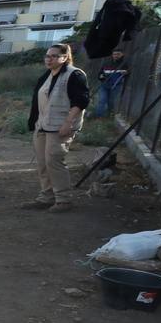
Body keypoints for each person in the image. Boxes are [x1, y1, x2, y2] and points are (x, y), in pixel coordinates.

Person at [26, 43, 89, 212]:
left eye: (54, 56)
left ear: (65, 57)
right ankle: (46, 197)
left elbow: (81, 100)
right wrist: (34, 122)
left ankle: (63, 200)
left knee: (54, 161)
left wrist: (68, 123)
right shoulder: (47, 75)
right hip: (43, 126)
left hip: (60, 127)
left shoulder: (74, 75)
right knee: (42, 163)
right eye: (47, 56)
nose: (49, 59)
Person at [96, 49, 128, 118]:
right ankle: (98, 117)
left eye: (118, 54)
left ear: (122, 55)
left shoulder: (125, 64)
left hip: (116, 86)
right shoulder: (106, 63)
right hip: (104, 85)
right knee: (102, 100)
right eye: (114, 54)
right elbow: (100, 74)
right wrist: (102, 77)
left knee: (111, 102)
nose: (116, 56)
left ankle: (109, 116)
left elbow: (128, 74)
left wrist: (126, 73)